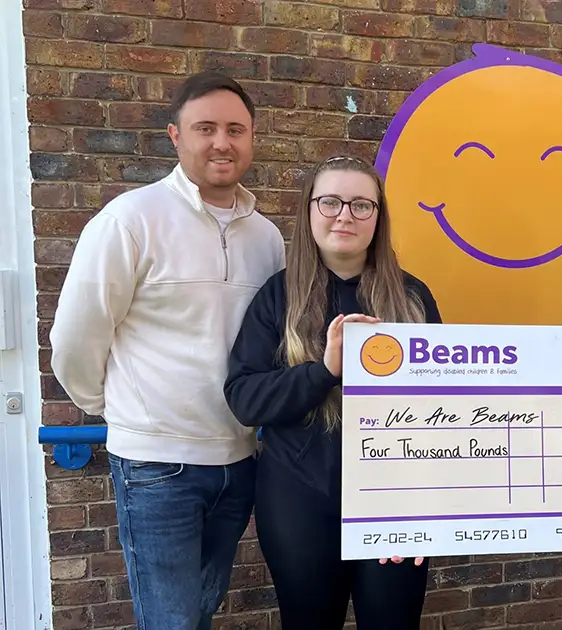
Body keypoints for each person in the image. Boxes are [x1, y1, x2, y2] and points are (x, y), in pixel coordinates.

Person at [49, 72, 286, 629]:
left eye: (236, 130)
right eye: (206, 128)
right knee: (171, 622)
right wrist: (123, 413)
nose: (222, 142)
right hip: (158, 466)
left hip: (239, 461)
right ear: (176, 136)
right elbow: (76, 337)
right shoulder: (130, 220)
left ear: (252, 138)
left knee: (198, 612)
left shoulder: (268, 238)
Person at [223, 154, 441, 629]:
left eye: (361, 205)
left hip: (392, 503)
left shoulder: (414, 299)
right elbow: (245, 399)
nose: (345, 215)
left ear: (378, 218)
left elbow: (440, 414)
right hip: (299, 498)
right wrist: (324, 371)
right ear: (309, 210)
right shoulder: (278, 296)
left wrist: (422, 509)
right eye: (330, 202)